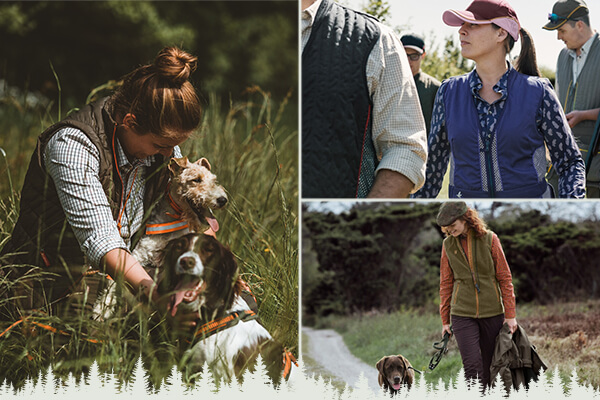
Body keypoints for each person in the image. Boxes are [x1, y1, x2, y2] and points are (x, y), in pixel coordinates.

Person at [0, 46, 202, 324]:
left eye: (176, 146)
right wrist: (158, 300)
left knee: (214, 304)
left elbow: (179, 222)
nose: (169, 155)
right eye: (161, 145)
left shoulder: (161, 150)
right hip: (49, 282)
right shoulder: (73, 145)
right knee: (101, 341)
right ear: (130, 122)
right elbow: (102, 242)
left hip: (121, 273)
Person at [413, 0, 585, 199]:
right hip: (469, 219)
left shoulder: (539, 92)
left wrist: (570, 208)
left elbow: (570, 163)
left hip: (530, 217)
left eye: (473, 24)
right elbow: (432, 167)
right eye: (462, 25)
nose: (461, 31)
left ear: (501, 33)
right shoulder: (448, 92)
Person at [302, 0, 427, 199]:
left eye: (415, 55)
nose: (411, 58)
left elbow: (404, 149)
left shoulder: (376, 40)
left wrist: (359, 220)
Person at [436, 201, 517, 389]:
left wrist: (510, 315)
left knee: (492, 365)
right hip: (462, 314)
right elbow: (446, 284)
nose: (449, 230)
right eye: (446, 228)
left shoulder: (490, 239)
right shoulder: (448, 245)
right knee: (472, 366)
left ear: (465, 219)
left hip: (493, 312)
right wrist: (445, 320)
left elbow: (505, 278)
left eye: (452, 226)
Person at [543, 0, 600, 197]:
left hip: (595, 170)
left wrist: (585, 115)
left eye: (562, 30)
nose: (558, 37)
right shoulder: (562, 56)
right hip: (561, 164)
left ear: (580, 25)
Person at [400, 33, 442, 134]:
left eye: (414, 56)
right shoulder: (387, 83)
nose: (408, 61)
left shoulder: (435, 88)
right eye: (404, 55)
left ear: (423, 56)